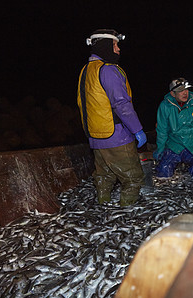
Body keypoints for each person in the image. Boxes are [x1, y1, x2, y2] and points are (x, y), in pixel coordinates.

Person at [77, 29, 147, 206]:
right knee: (133, 177)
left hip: (96, 137)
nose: (118, 49)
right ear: (104, 46)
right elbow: (122, 105)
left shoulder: (86, 70)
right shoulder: (109, 70)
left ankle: (103, 206)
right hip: (117, 136)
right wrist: (137, 130)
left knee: (104, 175)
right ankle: (127, 212)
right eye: (114, 44)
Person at [153, 77, 193, 179]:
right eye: (180, 91)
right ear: (172, 94)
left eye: (186, 89)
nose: (185, 93)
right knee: (164, 169)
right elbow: (162, 130)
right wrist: (160, 149)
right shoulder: (165, 106)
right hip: (175, 145)